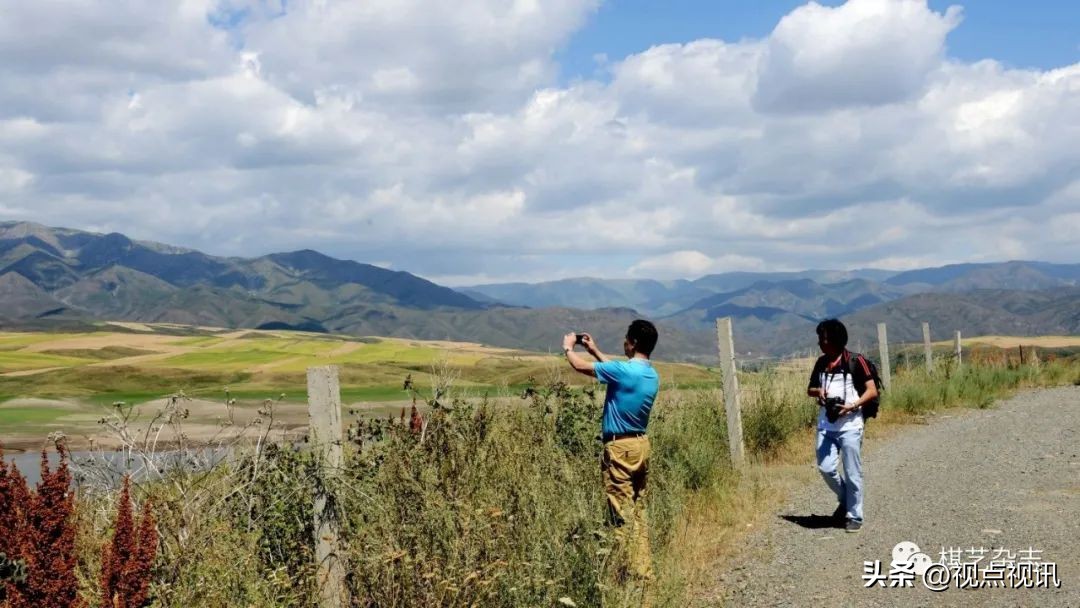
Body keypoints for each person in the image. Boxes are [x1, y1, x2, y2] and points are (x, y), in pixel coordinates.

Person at [563, 320, 659, 580]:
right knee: (638, 511)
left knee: (621, 514)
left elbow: (580, 367)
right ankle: (644, 567)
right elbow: (618, 372)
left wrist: (569, 348)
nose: (624, 342)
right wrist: (595, 351)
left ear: (634, 342)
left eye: (626, 339)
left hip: (619, 448)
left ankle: (637, 577)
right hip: (641, 445)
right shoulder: (650, 374)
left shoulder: (625, 371)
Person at [807, 318, 878, 533]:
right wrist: (819, 393)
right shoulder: (821, 363)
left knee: (852, 471)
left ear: (835, 340)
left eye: (823, 339)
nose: (820, 343)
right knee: (825, 467)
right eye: (820, 338)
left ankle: (854, 515)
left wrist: (852, 405)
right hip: (826, 425)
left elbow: (872, 390)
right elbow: (810, 389)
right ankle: (846, 499)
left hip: (850, 425)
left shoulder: (856, 361)